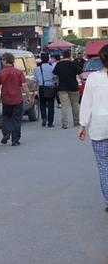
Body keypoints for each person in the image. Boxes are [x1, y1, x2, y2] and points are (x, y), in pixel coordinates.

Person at [78, 44, 108, 213]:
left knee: (104, 167)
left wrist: (83, 125)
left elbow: (86, 104)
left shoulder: (94, 78)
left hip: (99, 128)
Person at [0, 52, 31, 146]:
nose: (2, 61)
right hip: (17, 99)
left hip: (6, 99)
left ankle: (6, 133)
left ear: (6, 60)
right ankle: (15, 140)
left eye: (3, 59)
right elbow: (24, 86)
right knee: (16, 119)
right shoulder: (19, 72)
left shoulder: (0, 73)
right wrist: (28, 96)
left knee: (6, 117)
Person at [53, 49, 82, 129]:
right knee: (75, 105)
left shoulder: (59, 64)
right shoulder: (73, 64)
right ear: (69, 55)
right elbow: (81, 74)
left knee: (64, 106)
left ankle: (64, 124)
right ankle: (76, 122)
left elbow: (54, 75)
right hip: (73, 87)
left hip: (62, 87)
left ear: (62, 55)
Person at [35, 53, 57, 128]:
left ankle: (44, 117)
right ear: (48, 59)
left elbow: (36, 79)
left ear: (41, 59)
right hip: (51, 87)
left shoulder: (37, 68)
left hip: (42, 87)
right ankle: (50, 122)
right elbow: (55, 78)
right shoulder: (52, 68)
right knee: (51, 105)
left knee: (42, 104)